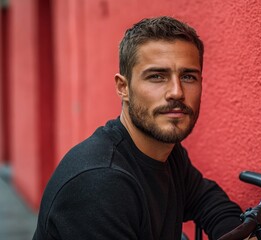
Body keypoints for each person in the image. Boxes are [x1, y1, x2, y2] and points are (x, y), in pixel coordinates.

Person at [33, 16, 243, 240]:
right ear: (123, 87)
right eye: (157, 76)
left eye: (188, 76)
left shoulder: (167, 153)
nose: (176, 92)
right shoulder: (100, 183)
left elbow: (207, 201)